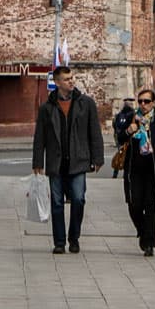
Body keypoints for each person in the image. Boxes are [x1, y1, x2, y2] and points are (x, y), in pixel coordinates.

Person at [31, 64, 102, 254]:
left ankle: (74, 237)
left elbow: (94, 131)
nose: (71, 81)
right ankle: (60, 242)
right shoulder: (47, 108)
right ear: (57, 82)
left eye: (72, 78)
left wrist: (98, 157)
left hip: (78, 161)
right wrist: (38, 161)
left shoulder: (85, 103)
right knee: (56, 203)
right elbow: (40, 137)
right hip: (56, 162)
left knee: (78, 199)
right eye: (67, 79)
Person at [120, 89, 155, 256]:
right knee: (134, 204)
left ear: (153, 103)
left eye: (146, 101)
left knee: (151, 206)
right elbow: (119, 137)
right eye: (140, 101)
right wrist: (129, 131)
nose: (143, 104)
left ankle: (149, 243)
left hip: (153, 171)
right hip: (134, 170)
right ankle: (142, 230)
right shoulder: (131, 119)